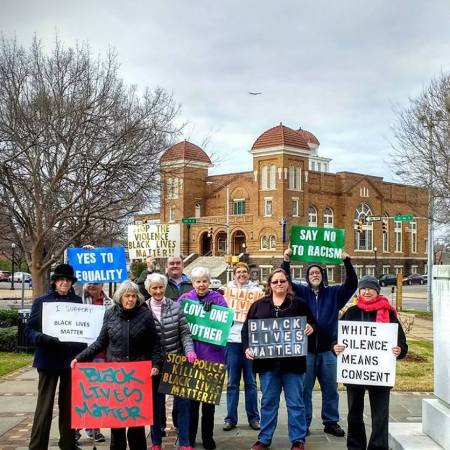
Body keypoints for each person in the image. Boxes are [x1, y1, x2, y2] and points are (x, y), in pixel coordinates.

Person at [71, 280, 162, 450]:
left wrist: (156, 364)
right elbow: (101, 342)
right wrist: (80, 357)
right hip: (116, 376)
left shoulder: (145, 314)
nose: (131, 300)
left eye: (134, 296)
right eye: (127, 296)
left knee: (136, 423)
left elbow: (155, 344)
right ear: (120, 297)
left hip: (138, 375)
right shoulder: (110, 314)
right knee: (117, 422)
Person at [281, 248, 357, 437]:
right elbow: (285, 280)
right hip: (305, 350)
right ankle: (304, 422)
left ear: (323, 276)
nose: (315, 275)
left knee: (330, 389)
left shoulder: (334, 293)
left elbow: (352, 284)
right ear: (307, 277)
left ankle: (331, 421)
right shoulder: (300, 293)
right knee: (304, 389)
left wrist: (347, 261)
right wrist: (286, 261)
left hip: (328, 350)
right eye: (311, 273)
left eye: (318, 273)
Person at [242, 268, 316, 450]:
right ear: (269, 285)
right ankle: (264, 439)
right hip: (267, 365)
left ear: (288, 283)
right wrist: (247, 348)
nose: (279, 284)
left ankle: (298, 440)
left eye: (282, 281)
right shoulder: (258, 305)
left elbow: (313, 323)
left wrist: (310, 327)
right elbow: (246, 330)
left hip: (293, 364)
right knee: (268, 402)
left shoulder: (298, 304)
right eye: (275, 282)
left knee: (295, 403)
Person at [333, 275, 408, 450]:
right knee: (354, 413)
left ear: (377, 291)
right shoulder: (350, 312)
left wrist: (400, 350)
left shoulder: (388, 313)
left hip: (380, 372)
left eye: (371, 288)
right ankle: (355, 446)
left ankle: (378, 446)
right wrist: (334, 347)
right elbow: (337, 338)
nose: (367, 291)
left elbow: (401, 342)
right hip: (355, 371)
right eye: (363, 289)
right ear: (359, 292)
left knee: (380, 414)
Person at [26, 263, 87, 450]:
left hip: (70, 360)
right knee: (44, 406)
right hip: (48, 358)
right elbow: (29, 329)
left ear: (72, 283)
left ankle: (68, 443)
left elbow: (84, 329)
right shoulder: (41, 302)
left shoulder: (78, 303)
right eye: (61, 279)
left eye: (68, 280)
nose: (64, 283)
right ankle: (37, 446)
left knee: (69, 406)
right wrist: (41, 337)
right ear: (54, 282)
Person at [145, 273, 196, 450]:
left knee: (183, 404)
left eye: (161, 287)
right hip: (155, 365)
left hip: (177, 361)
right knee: (155, 405)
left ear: (165, 287)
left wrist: (189, 351)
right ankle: (156, 441)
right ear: (149, 290)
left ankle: (184, 442)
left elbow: (185, 333)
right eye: (154, 288)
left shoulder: (176, 307)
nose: (158, 291)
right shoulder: (144, 309)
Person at [179, 267, 228, 450]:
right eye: (198, 281)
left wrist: (213, 312)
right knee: (191, 404)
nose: (201, 285)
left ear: (209, 282)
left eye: (204, 281)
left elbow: (227, 322)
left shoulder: (218, 299)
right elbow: (177, 322)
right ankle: (190, 438)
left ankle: (208, 438)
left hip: (212, 357)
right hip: (191, 357)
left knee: (208, 405)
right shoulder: (184, 300)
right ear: (193, 283)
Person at [223, 262, 261, 431]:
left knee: (251, 382)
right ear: (234, 274)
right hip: (231, 341)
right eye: (238, 271)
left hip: (250, 341)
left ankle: (254, 418)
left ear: (248, 273)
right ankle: (230, 418)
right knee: (232, 382)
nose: (242, 274)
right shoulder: (225, 291)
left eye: (244, 271)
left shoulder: (256, 291)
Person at [76, 281, 113, 443]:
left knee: (98, 394)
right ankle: (75, 429)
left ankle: (94, 428)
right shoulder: (77, 301)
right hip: (81, 354)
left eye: (96, 282)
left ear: (102, 284)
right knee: (79, 394)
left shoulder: (110, 303)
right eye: (89, 282)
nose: (92, 285)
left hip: (102, 355)